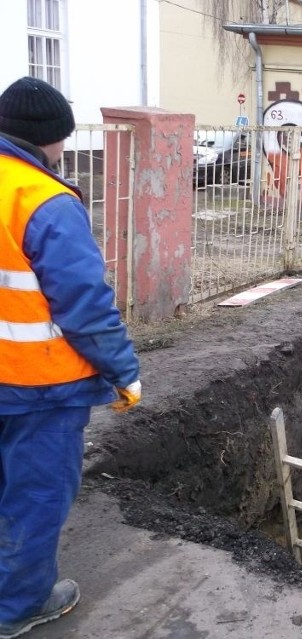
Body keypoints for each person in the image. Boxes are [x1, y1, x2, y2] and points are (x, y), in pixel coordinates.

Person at [0, 76, 141, 638]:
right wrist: (123, 371)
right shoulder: (45, 201)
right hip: (39, 386)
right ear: (53, 139)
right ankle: (17, 608)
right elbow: (84, 304)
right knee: (35, 494)